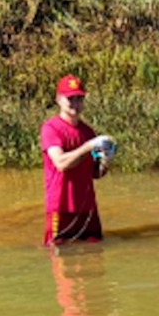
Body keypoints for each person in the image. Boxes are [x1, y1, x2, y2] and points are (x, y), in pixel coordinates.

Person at [40, 74, 112, 246]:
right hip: (61, 206)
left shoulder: (88, 132)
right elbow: (61, 163)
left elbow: (96, 173)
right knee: (58, 255)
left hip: (87, 208)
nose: (75, 104)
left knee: (95, 257)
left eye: (79, 99)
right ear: (58, 99)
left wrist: (106, 160)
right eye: (70, 99)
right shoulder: (51, 128)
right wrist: (88, 147)